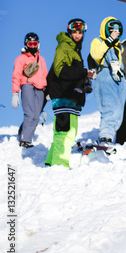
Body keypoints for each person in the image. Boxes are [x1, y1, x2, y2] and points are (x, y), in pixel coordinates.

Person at [45, 19, 94, 168]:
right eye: (74, 32)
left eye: (80, 32)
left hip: (71, 97)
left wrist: (84, 77)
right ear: (69, 32)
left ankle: (50, 162)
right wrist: (83, 72)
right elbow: (60, 71)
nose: (77, 35)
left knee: (67, 131)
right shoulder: (63, 47)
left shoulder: (74, 49)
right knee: (65, 131)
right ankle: (59, 164)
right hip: (63, 95)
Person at [90, 17, 126, 144]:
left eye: (117, 30)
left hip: (118, 78)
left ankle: (110, 136)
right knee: (110, 108)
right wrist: (108, 40)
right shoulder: (99, 41)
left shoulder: (118, 47)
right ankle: (105, 136)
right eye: (112, 29)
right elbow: (96, 54)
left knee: (118, 110)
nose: (115, 32)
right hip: (106, 74)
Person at [12, 32, 48, 148]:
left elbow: (45, 75)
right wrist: (15, 93)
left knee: (36, 116)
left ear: (38, 44)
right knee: (30, 114)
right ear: (26, 44)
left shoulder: (41, 59)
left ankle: (28, 138)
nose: (32, 46)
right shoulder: (21, 59)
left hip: (41, 89)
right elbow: (16, 76)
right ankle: (24, 140)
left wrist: (48, 91)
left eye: (35, 44)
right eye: (30, 44)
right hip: (27, 86)